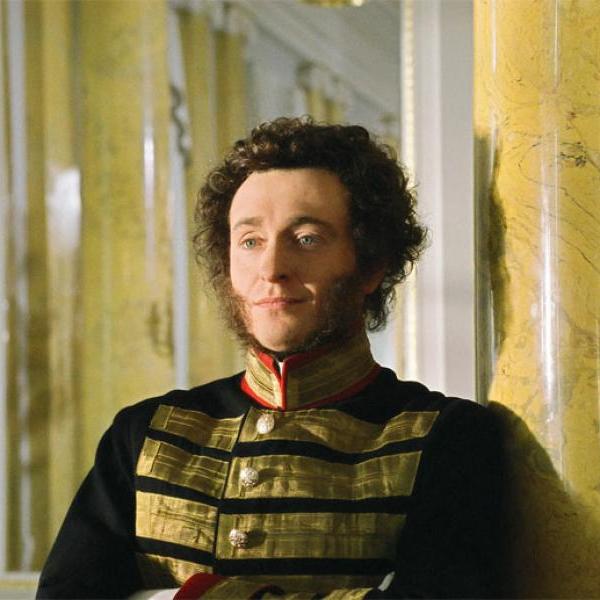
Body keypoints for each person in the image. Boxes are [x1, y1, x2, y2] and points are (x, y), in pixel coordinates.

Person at [37, 117, 505, 599]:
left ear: (371, 266)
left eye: (307, 238)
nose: (272, 268)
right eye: (250, 241)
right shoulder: (144, 433)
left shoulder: (448, 438)